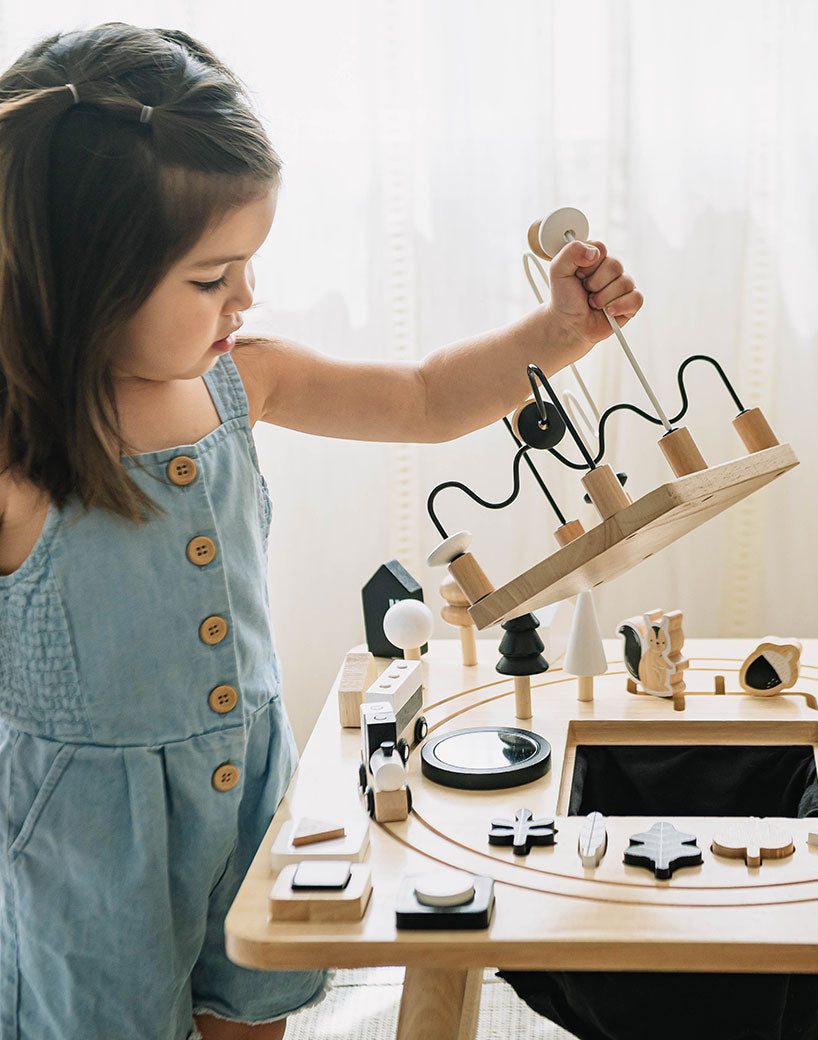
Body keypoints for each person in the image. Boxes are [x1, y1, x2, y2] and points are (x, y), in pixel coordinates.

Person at [0, 22, 641, 1040]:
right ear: (81, 277)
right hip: (84, 837)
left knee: (254, 1002)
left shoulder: (241, 377)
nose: (244, 297)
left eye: (246, 265)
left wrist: (556, 334)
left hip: (249, 788)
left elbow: (423, 398)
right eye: (209, 279)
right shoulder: (22, 465)